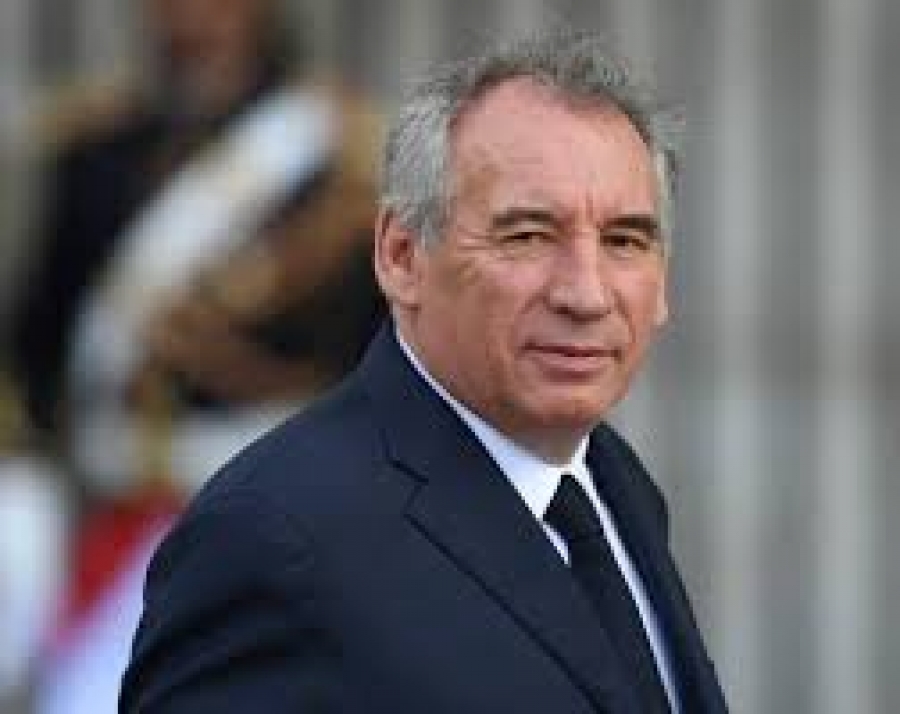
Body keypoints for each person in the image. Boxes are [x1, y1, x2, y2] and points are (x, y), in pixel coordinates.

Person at [119, 29, 728, 713]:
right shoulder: (274, 537)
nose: (585, 294)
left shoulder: (614, 484)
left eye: (625, 240)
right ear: (402, 257)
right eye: (527, 236)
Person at [4, 1, 384, 713]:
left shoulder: (334, 162)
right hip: (108, 503)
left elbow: (366, 367)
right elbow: (39, 351)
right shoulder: (95, 148)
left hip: (268, 509)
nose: (191, 16)